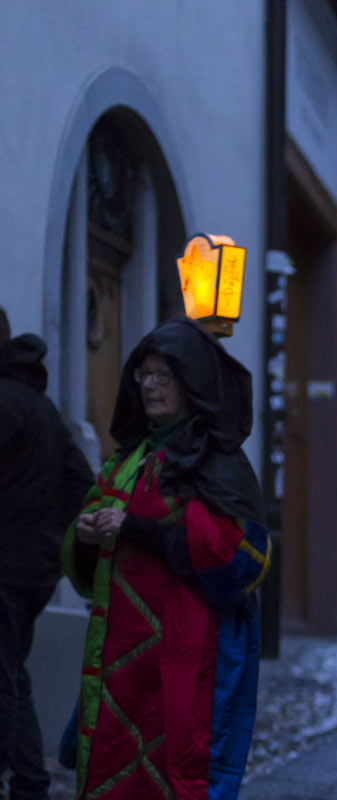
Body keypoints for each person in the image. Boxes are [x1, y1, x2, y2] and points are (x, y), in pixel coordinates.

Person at [61, 318, 271, 799]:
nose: (150, 386)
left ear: (190, 381)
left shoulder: (219, 463)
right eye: (144, 375)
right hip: (119, 665)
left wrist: (135, 529)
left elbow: (237, 557)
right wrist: (88, 533)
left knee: (175, 777)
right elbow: (91, 538)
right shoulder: (130, 458)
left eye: (164, 376)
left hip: (185, 657)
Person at [0, 308, 93, 800]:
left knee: (5, 680)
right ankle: (30, 782)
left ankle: (27, 782)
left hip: (7, 565)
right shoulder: (44, 410)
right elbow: (83, 484)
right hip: (35, 569)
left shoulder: (7, 403)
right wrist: (57, 544)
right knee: (13, 674)